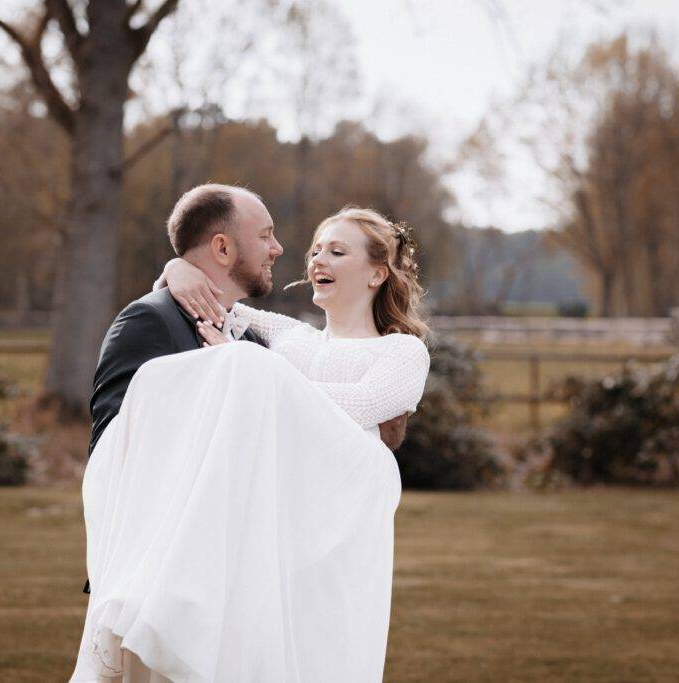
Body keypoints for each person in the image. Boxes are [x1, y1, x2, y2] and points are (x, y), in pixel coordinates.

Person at [70, 205, 430, 682]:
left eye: (338, 251)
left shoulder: (402, 351)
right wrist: (176, 266)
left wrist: (253, 370)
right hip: (279, 525)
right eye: (316, 249)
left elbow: (361, 407)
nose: (318, 259)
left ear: (376, 274)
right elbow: (207, 294)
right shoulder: (290, 339)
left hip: (336, 530)